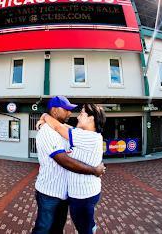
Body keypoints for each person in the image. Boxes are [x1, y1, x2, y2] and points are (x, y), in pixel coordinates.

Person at [32, 96, 106, 234]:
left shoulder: (84, 135)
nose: (70, 113)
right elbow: (63, 159)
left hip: (72, 193)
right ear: (54, 110)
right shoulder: (48, 131)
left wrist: (45, 117)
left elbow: (62, 128)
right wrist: (94, 170)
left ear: (91, 118)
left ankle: (90, 227)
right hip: (50, 192)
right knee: (43, 228)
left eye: (81, 113)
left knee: (59, 228)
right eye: (66, 109)